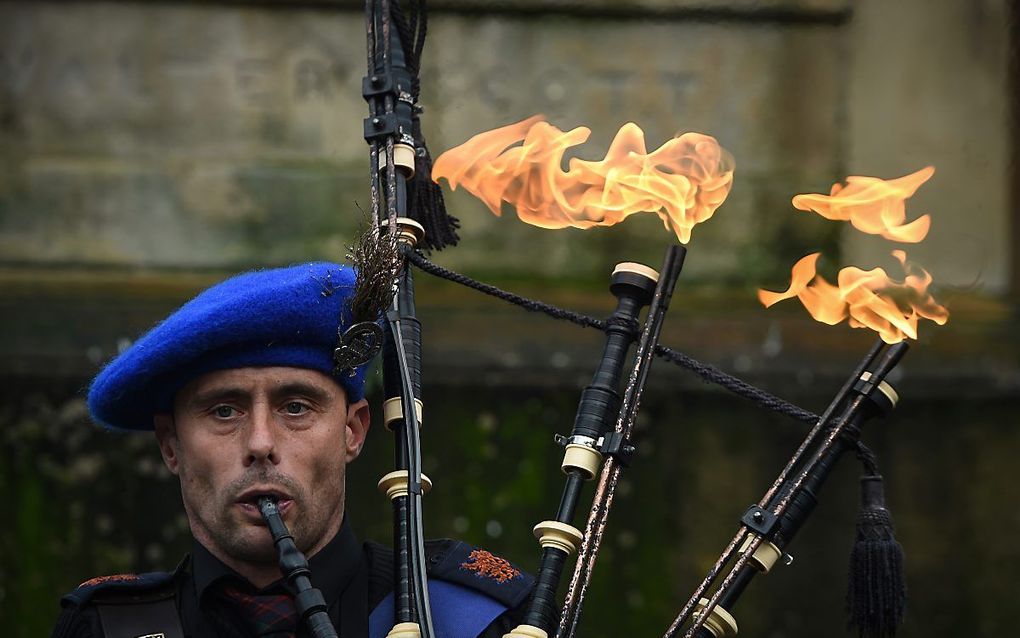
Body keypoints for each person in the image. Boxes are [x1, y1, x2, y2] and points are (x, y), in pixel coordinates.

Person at [51, 261, 533, 638]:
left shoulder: (464, 618)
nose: (261, 443)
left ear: (353, 431)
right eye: (224, 411)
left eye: (296, 407)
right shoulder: (104, 629)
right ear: (171, 445)